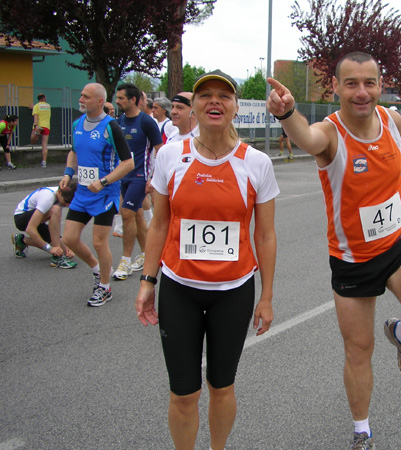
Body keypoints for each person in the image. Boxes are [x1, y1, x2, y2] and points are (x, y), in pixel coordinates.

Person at [267, 52, 401, 450]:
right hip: (352, 258)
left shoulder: (393, 121)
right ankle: (362, 431)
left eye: (369, 83)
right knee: (358, 350)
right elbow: (305, 138)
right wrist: (288, 112)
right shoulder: (329, 133)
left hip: (397, 240)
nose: (361, 92)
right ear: (337, 89)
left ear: (380, 85)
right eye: (351, 84)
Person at [135, 69, 279, 450]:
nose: (214, 101)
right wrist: (148, 281)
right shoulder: (170, 155)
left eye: (224, 96)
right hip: (179, 288)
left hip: (233, 291)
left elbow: (265, 234)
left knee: (221, 386)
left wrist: (266, 296)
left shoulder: (257, 163)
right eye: (205, 95)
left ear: (235, 108)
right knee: (183, 393)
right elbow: (159, 224)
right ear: (194, 107)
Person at [60, 82, 134, 307]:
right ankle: (97, 268)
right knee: (69, 239)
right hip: (82, 192)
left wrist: (104, 181)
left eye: (86, 97)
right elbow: (74, 152)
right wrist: (67, 173)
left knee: (99, 242)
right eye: (81, 96)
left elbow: (128, 163)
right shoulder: (77, 124)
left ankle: (104, 287)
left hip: (104, 194)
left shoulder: (110, 126)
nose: (81, 100)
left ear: (100, 101)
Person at [113, 83, 163, 279]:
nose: (117, 102)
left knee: (126, 213)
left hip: (140, 177)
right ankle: (145, 254)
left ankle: (125, 260)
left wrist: (155, 178)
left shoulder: (146, 122)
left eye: (121, 98)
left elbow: (161, 150)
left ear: (133, 100)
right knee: (137, 217)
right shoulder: (118, 122)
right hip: (122, 177)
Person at [12, 181, 78, 268]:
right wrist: (49, 249)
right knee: (56, 209)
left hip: (38, 219)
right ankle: (58, 258)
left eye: (71, 202)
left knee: (60, 248)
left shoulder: (62, 195)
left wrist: (66, 248)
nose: (67, 205)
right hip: (21, 218)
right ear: (59, 192)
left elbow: (54, 230)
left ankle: (22, 240)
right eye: (67, 201)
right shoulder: (48, 197)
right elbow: (30, 228)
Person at [32, 93, 51, 168]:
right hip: (46, 126)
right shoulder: (48, 106)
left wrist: (36, 125)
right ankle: (44, 162)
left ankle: (36, 134)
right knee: (44, 145)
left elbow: (36, 116)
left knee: (33, 140)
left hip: (39, 125)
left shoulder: (36, 106)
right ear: (44, 98)